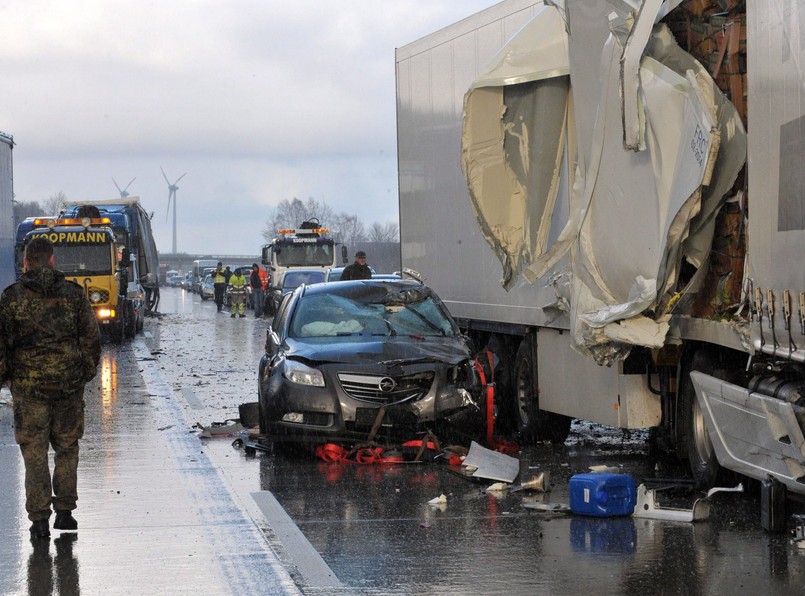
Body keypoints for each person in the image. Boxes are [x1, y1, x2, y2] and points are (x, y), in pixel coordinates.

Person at [0, 236, 101, 538]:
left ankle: (39, 520)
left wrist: (6, 377)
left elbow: (2, 344)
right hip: (68, 387)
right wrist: (83, 372)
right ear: (53, 260)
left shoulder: (12, 297)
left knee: (34, 451)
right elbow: (91, 339)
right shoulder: (73, 295)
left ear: (26, 262)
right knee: (67, 447)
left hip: (29, 389)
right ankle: (66, 513)